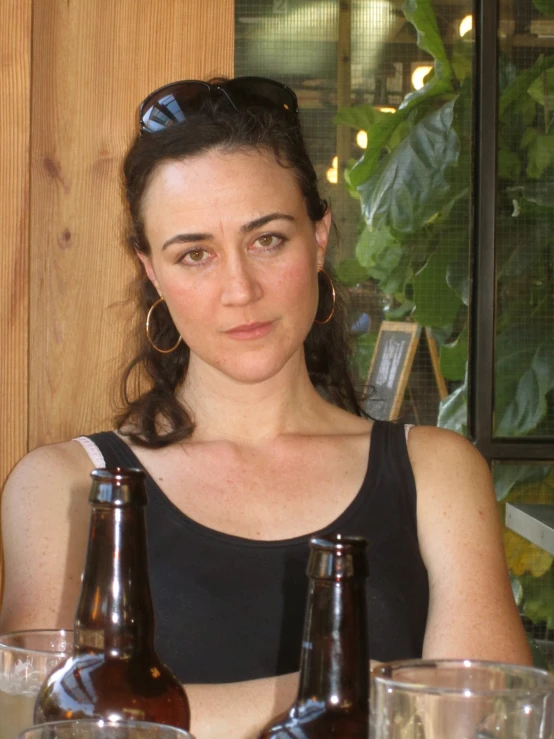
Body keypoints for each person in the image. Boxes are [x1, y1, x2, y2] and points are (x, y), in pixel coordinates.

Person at [1, 76, 531, 738]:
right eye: (194, 253)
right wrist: (349, 689)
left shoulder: (437, 472)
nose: (240, 288)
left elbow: (486, 722)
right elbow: (48, 722)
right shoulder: (65, 485)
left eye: (268, 239)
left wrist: (169, 710)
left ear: (319, 237)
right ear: (151, 271)